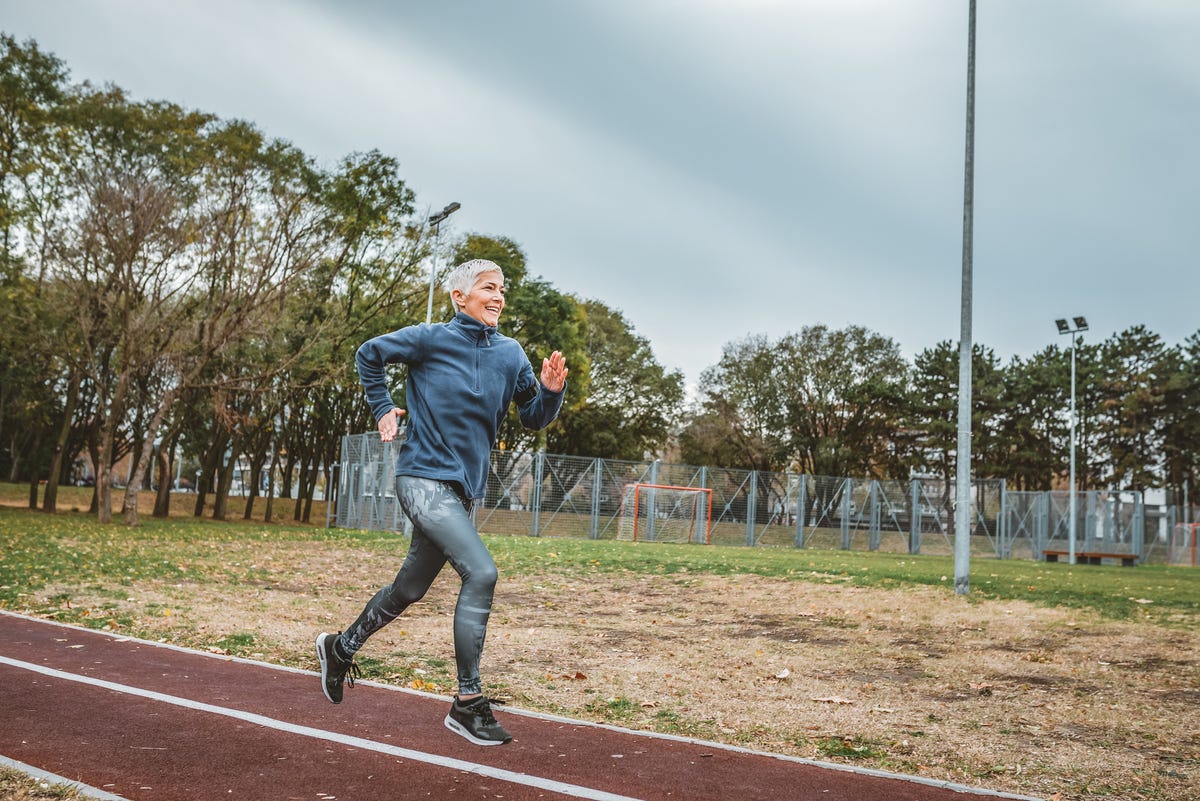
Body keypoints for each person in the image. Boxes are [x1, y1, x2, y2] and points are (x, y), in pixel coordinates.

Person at [316, 258, 568, 746]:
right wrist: (383, 405)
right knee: (482, 572)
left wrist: (553, 392)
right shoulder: (430, 338)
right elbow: (369, 353)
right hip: (421, 478)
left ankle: (340, 647)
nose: (497, 297)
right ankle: (468, 702)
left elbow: (533, 418)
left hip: (461, 492)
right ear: (460, 297)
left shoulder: (511, 354)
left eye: (501, 289)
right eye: (487, 288)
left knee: (409, 589)